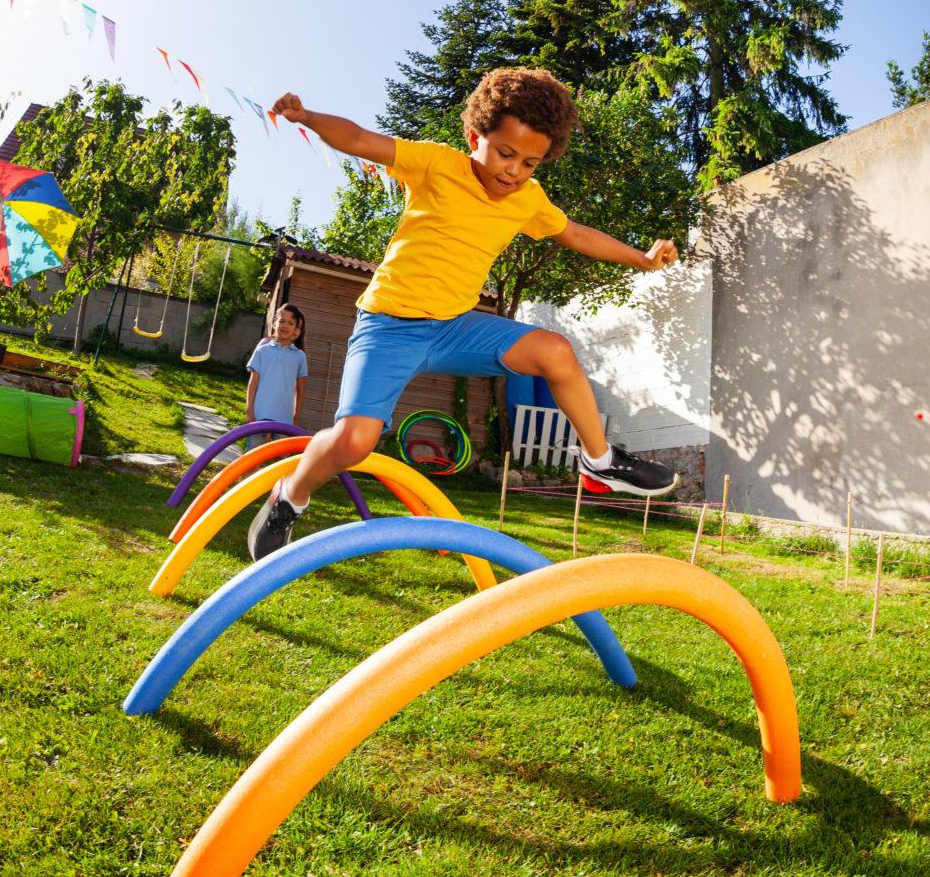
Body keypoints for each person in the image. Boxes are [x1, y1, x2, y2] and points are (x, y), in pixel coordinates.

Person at [250, 68, 679, 560]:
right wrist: (308, 117)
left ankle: (599, 461)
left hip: (455, 327)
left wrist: (642, 259)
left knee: (555, 351)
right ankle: (291, 495)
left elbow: (577, 234)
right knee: (355, 442)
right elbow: (361, 139)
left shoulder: (527, 200)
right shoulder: (436, 163)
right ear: (476, 136)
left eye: (530, 163)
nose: (514, 171)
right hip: (389, 326)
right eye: (505, 153)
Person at [244, 302, 309, 445]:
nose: (285, 326)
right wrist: (250, 411)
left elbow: (301, 389)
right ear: (274, 324)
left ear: (296, 330)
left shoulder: (300, 357)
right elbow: (252, 382)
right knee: (253, 458)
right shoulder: (262, 350)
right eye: (282, 321)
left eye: (290, 323)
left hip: (284, 418)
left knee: (279, 460)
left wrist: (296, 419)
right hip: (260, 415)